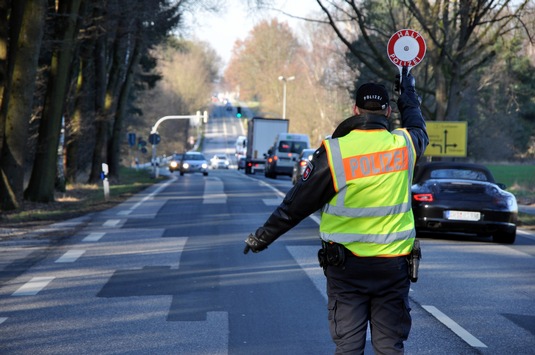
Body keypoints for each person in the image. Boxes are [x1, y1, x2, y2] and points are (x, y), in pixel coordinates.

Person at [243, 66, 428, 354]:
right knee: (390, 347)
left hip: (347, 270)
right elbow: (418, 126)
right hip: (393, 267)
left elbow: (295, 206)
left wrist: (261, 238)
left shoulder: (335, 152)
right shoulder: (405, 146)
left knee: (349, 347)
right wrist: (408, 92)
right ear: (388, 112)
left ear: (355, 110)